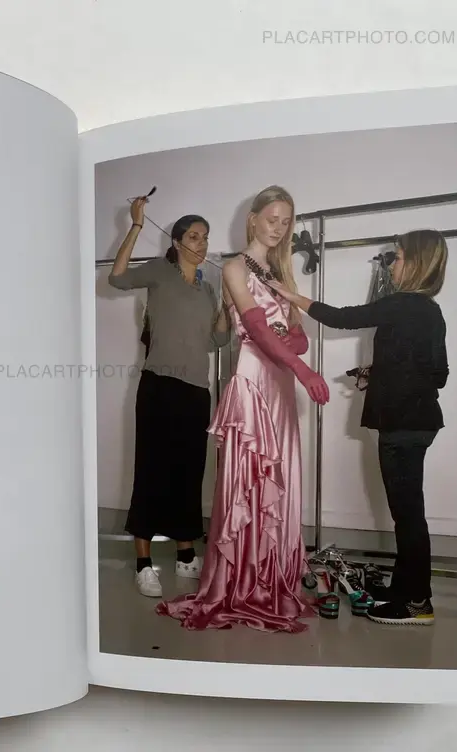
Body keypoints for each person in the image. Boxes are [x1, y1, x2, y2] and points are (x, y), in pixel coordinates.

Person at [156, 185, 329, 633]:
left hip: (281, 383)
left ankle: (273, 578)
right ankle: (244, 581)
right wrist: (303, 368)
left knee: (280, 481)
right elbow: (258, 331)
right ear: (253, 219)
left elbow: (297, 337)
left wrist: (293, 347)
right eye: (272, 218)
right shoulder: (234, 267)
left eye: (286, 221)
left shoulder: (280, 272)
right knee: (250, 482)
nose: (279, 228)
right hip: (254, 380)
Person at [268, 229, 449, 626]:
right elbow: (439, 374)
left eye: (398, 257)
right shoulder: (430, 311)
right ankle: (404, 589)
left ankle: (417, 602)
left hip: (402, 426)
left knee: (408, 517)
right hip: (419, 423)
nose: (392, 264)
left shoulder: (402, 304)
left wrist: (290, 295)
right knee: (409, 514)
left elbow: (342, 318)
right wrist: (381, 373)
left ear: (416, 263)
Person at [108, 195, 231, 598]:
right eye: (194, 236)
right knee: (152, 471)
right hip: (159, 387)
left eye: (205, 237)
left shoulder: (207, 289)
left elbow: (217, 341)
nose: (201, 243)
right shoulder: (160, 271)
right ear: (177, 242)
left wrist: (227, 306)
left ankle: (185, 555)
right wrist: (136, 224)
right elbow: (117, 278)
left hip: (196, 391)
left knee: (188, 474)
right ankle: (143, 564)